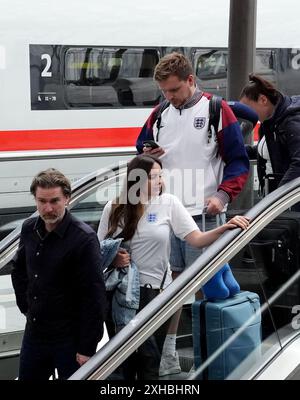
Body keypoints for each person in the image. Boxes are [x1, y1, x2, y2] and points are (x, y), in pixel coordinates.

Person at [136, 52, 250, 375]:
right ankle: (170, 356)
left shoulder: (216, 109)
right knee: (169, 287)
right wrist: (148, 153)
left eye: (174, 90)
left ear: (190, 80)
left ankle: (221, 353)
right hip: (165, 211)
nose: (169, 97)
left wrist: (223, 194)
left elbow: (238, 160)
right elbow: (140, 146)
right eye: (164, 92)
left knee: (209, 285)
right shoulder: (160, 113)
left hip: (203, 212)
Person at [97, 154, 249, 380]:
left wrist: (225, 228)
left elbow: (196, 239)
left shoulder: (168, 203)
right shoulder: (115, 207)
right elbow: (98, 250)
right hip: (122, 295)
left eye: (160, 176)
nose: (159, 181)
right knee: (124, 362)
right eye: (152, 177)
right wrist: (114, 259)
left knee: (150, 361)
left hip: (156, 294)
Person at [11, 168, 107, 380]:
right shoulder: (29, 228)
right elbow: (18, 271)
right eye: (42, 201)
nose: (48, 208)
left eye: (54, 201)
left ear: (67, 199)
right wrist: (26, 307)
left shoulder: (84, 238)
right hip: (35, 332)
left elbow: (94, 296)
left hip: (69, 338)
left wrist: (87, 347)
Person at [240, 73, 300, 197]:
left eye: (248, 108)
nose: (246, 114)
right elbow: (271, 149)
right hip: (277, 196)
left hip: (288, 203)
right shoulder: (270, 121)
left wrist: (277, 198)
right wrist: (237, 150)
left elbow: (298, 163)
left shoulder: (291, 122)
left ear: (263, 100)